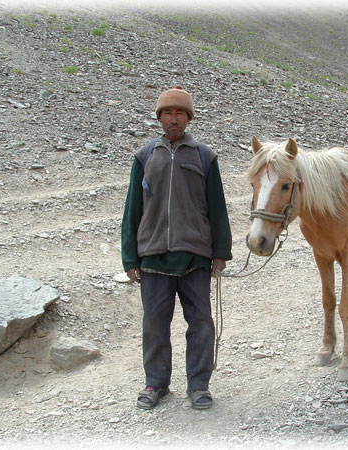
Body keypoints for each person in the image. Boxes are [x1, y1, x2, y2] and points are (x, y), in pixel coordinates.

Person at [121, 86, 232, 410]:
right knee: (155, 326)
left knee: (200, 323)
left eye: (180, 113)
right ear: (159, 118)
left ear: (188, 118)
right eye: (168, 113)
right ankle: (156, 383)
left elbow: (217, 207)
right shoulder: (144, 157)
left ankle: (199, 386)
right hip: (154, 256)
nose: (174, 118)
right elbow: (132, 210)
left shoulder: (204, 156)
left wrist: (220, 252)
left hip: (194, 256)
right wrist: (130, 256)